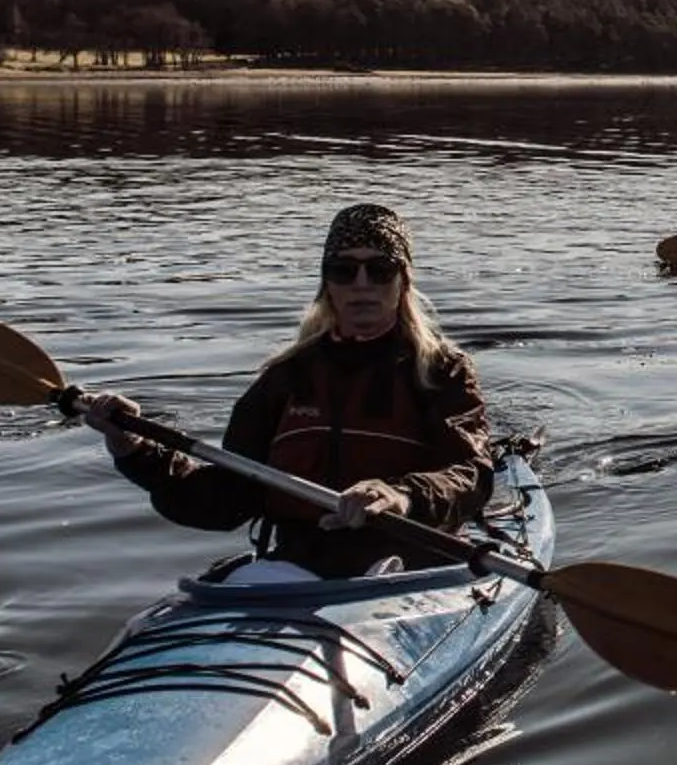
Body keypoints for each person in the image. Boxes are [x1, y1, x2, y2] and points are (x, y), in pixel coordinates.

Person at [80, 202, 493, 579]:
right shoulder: (285, 377)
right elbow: (222, 499)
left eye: (380, 270)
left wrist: (399, 495)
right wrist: (131, 447)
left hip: (410, 564)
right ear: (327, 284)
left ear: (403, 282)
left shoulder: (442, 371)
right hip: (300, 567)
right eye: (344, 270)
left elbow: (471, 477)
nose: (362, 283)